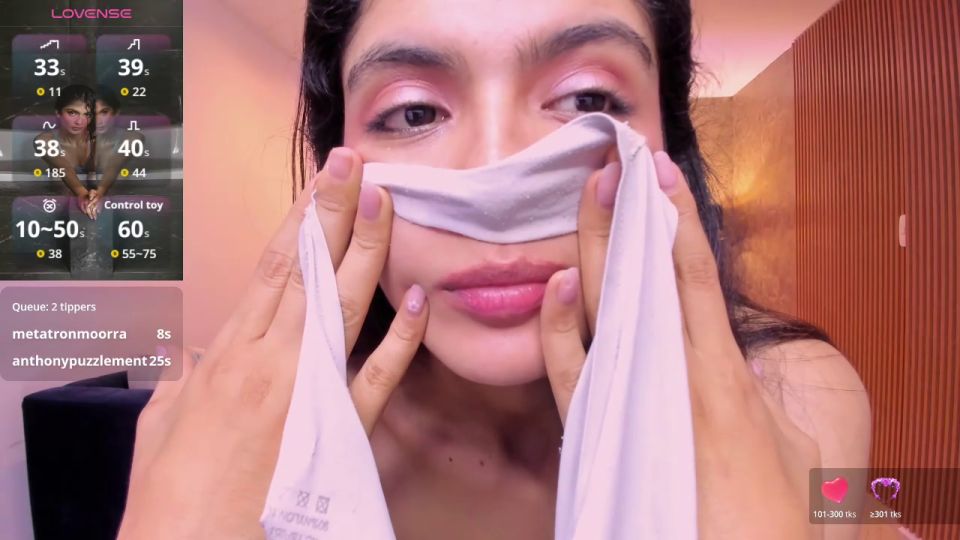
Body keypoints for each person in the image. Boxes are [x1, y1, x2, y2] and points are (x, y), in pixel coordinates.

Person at [119, 1, 872, 538]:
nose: (496, 178)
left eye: (585, 99)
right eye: (414, 113)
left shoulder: (805, 399)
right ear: (335, 163)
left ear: (669, 142)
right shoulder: (249, 442)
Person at [34, 84, 98, 219]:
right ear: (58, 113)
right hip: (58, 201)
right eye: (72, 113)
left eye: (87, 114)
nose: (79, 121)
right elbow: (65, 169)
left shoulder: (98, 140)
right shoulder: (45, 141)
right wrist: (83, 194)